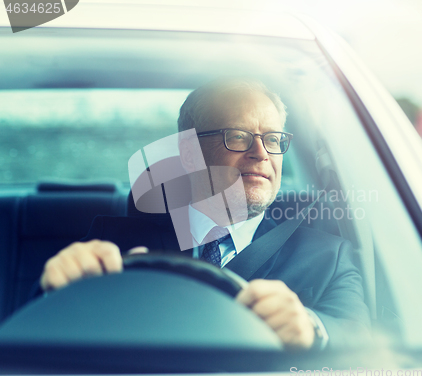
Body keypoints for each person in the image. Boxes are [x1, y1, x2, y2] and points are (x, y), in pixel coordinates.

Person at [38, 79, 370, 350]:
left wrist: (313, 329)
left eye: (273, 139)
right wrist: (57, 291)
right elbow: (36, 328)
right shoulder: (112, 243)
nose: (261, 153)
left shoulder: (328, 256)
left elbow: (366, 345)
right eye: (238, 136)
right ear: (188, 151)